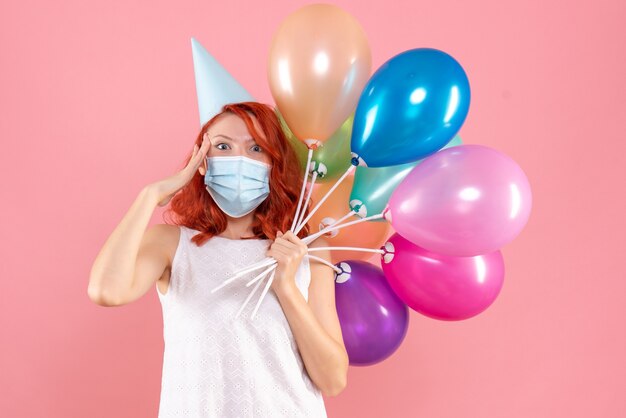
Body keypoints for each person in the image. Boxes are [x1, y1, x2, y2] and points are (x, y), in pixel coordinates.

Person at [88, 102, 349, 417]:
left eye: (255, 148)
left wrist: (287, 287)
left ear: (274, 163)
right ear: (202, 162)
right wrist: (150, 195)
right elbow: (105, 291)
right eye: (223, 146)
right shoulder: (171, 244)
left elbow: (333, 380)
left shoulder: (308, 248)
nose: (239, 159)